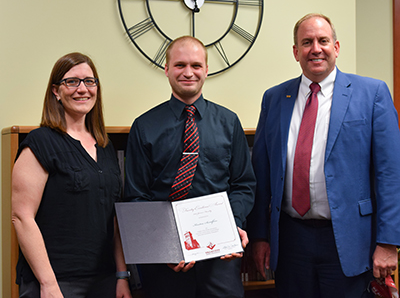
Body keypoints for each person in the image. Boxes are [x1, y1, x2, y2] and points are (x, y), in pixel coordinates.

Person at [247, 13, 400, 298]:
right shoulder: (274, 98)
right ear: (296, 52)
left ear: (337, 47)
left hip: (349, 240)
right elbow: (262, 174)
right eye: (306, 42)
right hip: (291, 240)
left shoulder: (372, 93)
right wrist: (259, 236)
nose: (315, 48)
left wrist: (389, 242)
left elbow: (390, 174)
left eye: (323, 41)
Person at [124, 36, 256, 298]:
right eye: (180, 65)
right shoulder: (144, 126)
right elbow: (136, 196)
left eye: (196, 65)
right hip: (167, 261)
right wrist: (163, 248)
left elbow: (243, 185)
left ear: (206, 70)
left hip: (221, 256)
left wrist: (233, 224)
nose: (188, 72)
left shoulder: (229, 122)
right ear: (167, 69)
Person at [11, 52, 132, 298]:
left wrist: (121, 275)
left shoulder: (106, 147)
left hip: (104, 280)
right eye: (72, 81)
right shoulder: (40, 142)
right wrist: (48, 284)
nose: (82, 89)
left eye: (89, 81)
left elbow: (115, 219)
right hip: (56, 282)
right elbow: (21, 217)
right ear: (56, 91)